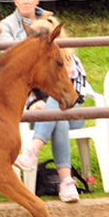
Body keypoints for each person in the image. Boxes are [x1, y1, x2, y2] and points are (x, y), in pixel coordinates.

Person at [14, 17, 87, 203]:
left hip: (73, 111)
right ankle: (66, 183)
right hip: (38, 115)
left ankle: (32, 151)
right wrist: (32, 104)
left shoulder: (70, 59)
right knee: (58, 117)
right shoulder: (28, 63)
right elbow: (23, 91)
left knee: (58, 108)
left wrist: (46, 103)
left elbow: (77, 94)